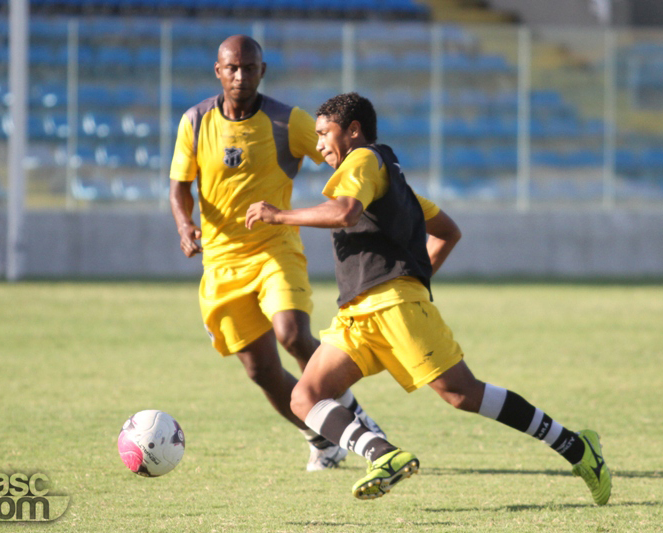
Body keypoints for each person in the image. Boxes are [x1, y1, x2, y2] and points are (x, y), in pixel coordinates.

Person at [245, 92, 612, 504]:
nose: (319, 144)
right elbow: (446, 230)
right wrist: (416, 273)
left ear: (353, 131)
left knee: (462, 394)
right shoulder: (390, 181)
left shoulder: (363, 160)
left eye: (325, 133)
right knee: (304, 396)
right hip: (358, 315)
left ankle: (577, 448)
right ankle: (382, 454)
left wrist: (279, 215)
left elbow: (345, 212)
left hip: (393, 306)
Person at [169, 37, 384, 471]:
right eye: (232, 68)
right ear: (218, 71)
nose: (240, 76)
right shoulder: (194, 122)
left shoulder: (288, 122)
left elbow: (345, 156)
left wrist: (369, 195)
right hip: (221, 264)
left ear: (262, 70)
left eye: (249, 68)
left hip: (274, 250)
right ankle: (321, 440)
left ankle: (353, 413)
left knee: (290, 332)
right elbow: (179, 186)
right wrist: (184, 225)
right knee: (261, 371)